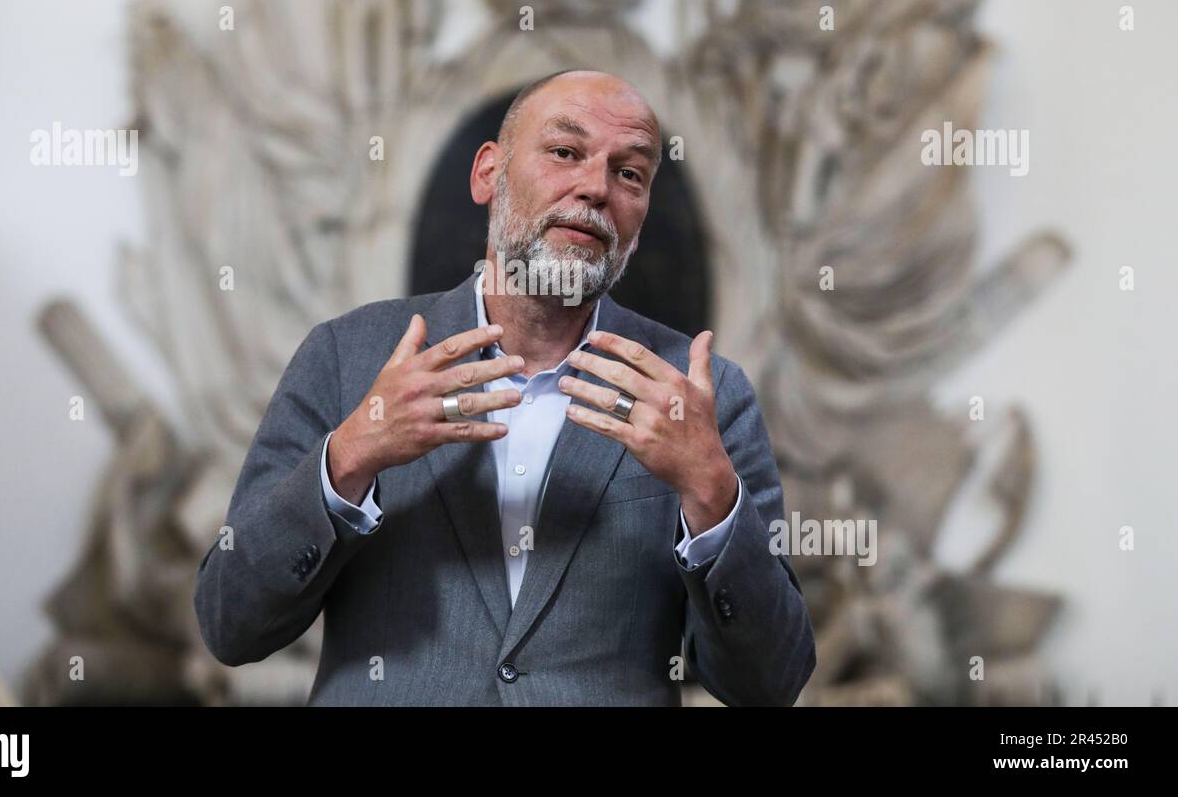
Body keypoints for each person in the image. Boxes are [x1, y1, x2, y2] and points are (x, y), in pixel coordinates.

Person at [194, 69, 816, 705]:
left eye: (629, 173)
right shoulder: (346, 357)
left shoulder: (700, 392)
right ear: (488, 173)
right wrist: (350, 456)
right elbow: (230, 622)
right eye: (565, 152)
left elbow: (770, 684)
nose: (596, 187)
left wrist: (712, 495)